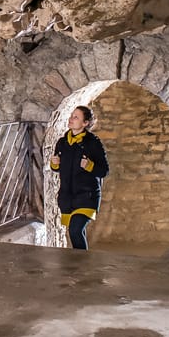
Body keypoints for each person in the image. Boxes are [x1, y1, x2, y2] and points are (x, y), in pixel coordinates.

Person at [49, 105, 109, 250]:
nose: (71, 119)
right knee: (75, 232)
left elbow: (104, 171)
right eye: (71, 116)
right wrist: (55, 164)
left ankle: (83, 267)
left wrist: (89, 165)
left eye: (76, 117)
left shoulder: (93, 143)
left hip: (87, 197)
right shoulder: (62, 143)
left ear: (85, 123)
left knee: (75, 230)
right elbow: (57, 168)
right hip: (68, 196)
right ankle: (80, 263)